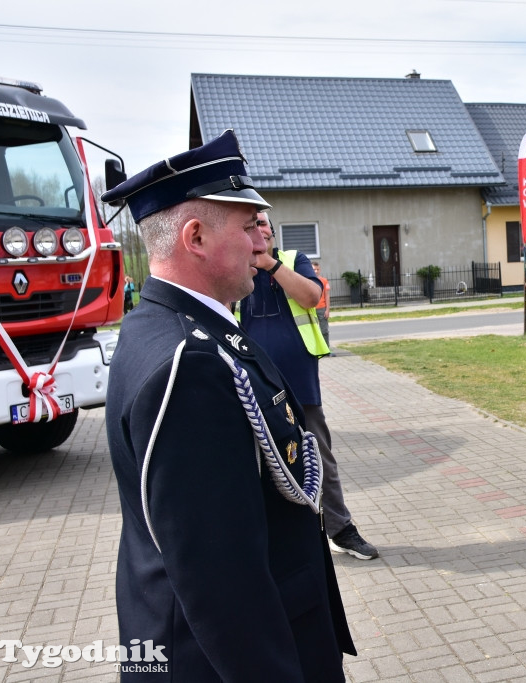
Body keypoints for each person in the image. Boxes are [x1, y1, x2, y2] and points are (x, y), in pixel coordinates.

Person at [101, 130, 355, 680]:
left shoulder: (178, 328)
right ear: (195, 237)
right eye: (247, 228)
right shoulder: (188, 362)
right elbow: (219, 577)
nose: (260, 244)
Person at [241, 211, 379, 560]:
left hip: (299, 381)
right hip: (253, 381)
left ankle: (340, 529)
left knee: (318, 453)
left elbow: (311, 297)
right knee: (258, 461)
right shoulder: (234, 266)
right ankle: (268, 540)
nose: (258, 228)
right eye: (250, 224)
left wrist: (270, 266)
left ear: (272, 232)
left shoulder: (291, 260)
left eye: (262, 223)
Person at [313, 261, 332, 350]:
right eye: (314, 269)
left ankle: (326, 348)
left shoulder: (324, 281)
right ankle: (316, 349)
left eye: (318, 269)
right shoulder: (308, 280)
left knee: (324, 330)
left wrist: (327, 310)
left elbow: (327, 295)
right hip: (311, 308)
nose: (316, 271)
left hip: (322, 308)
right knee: (314, 331)